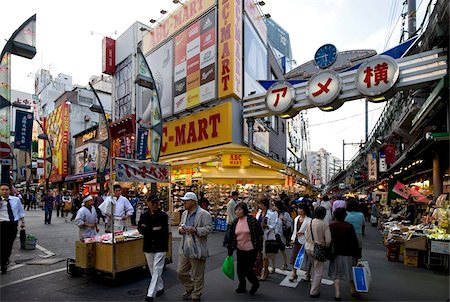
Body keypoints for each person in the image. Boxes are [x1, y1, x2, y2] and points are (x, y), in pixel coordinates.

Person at [177, 192, 212, 302]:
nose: (184, 203)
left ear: (193, 201)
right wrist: (180, 230)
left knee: (197, 274)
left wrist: (196, 230)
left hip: (197, 248)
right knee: (180, 271)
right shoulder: (184, 214)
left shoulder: (204, 214)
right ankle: (190, 287)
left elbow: (209, 228)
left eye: (186, 201)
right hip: (185, 247)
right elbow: (180, 225)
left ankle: (196, 294)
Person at [138, 195, 169, 302]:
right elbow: (140, 228)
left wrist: (148, 229)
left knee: (157, 269)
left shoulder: (163, 216)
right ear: (148, 203)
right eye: (153, 203)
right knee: (152, 269)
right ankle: (160, 287)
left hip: (160, 246)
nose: (155, 205)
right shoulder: (144, 215)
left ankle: (150, 294)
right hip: (148, 246)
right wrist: (153, 229)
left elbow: (163, 231)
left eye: (157, 203)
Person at [227, 202, 263, 295]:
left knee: (248, 270)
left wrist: (259, 248)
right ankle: (242, 286)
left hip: (251, 250)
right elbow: (232, 236)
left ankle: (255, 283)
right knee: (240, 270)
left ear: (244, 210)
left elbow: (259, 234)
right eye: (236, 210)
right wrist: (230, 248)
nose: (237, 211)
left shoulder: (251, 220)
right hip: (240, 249)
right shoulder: (235, 221)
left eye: (239, 209)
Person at [329, 207, 360, 300]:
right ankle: (353, 290)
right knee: (350, 273)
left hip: (336, 253)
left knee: (337, 274)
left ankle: (338, 293)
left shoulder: (332, 226)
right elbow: (355, 242)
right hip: (348, 253)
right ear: (344, 216)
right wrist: (357, 255)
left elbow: (329, 240)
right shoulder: (349, 226)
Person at [305, 206, 332, 298]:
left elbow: (306, 235)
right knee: (318, 270)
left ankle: (313, 283)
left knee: (314, 266)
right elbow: (328, 240)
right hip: (318, 249)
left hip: (308, 247)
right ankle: (314, 291)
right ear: (324, 214)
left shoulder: (310, 222)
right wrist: (325, 245)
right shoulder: (325, 224)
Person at [0, 183, 25, 274]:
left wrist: (23, 223)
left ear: (10, 191)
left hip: (12, 225)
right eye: (2, 190)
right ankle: (3, 263)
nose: (4, 191)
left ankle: (5, 259)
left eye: (6, 189)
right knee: (2, 244)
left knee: (9, 244)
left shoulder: (16, 200)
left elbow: (20, 212)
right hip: (2, 224)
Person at [255, 197, 277, 280]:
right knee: (260, 254)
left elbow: (274, 225)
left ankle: (264, 273)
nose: (259, 205)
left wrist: (266, 226)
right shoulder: (259, 212)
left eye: (260, 204)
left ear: (264, 205)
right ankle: (265, 270)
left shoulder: (271, 214)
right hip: (259, 235)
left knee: (265, 256)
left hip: (267, 236)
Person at [289, 203, 312, 282]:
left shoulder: (309, 220)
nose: (298, 210)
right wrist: (292, 238)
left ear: (304, 210)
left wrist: (303, 233)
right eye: (298, 209)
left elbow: (310, 231)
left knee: (307, 259)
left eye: (300, 209)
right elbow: (295, 230)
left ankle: (308, 274)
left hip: (305, 241)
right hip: (296, 240)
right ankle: (294, 273)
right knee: (293, 257)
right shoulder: (296, 218)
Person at [273, 199, 292, 270]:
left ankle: (285, 263)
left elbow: (290, 224)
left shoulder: (285, 214)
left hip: (281, 235)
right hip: (274, 235)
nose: (273, 207)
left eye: (274, 205)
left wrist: (284, 220)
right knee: (273, 251)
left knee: (282, 250)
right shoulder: (274, 214)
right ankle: (273, 266)